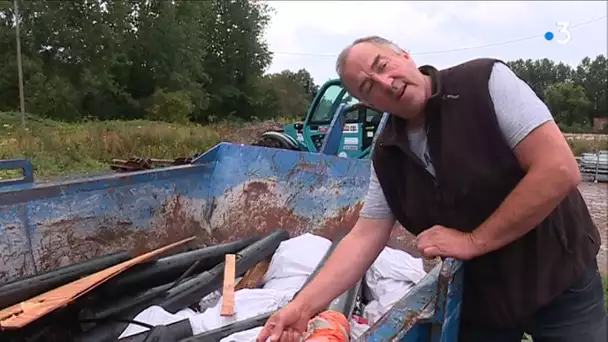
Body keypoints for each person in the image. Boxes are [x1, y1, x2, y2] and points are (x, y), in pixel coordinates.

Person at [256, 36, 607, 342]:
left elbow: (558, 170)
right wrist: (301, 307)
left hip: (558, 274)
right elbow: (365, 236)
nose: (384, 82)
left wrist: (474, 241)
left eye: (383, 64)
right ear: (369, 104)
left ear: (405, 55)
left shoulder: (483, 83)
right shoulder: (388, 153)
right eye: (367, 87)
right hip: (481, 299)